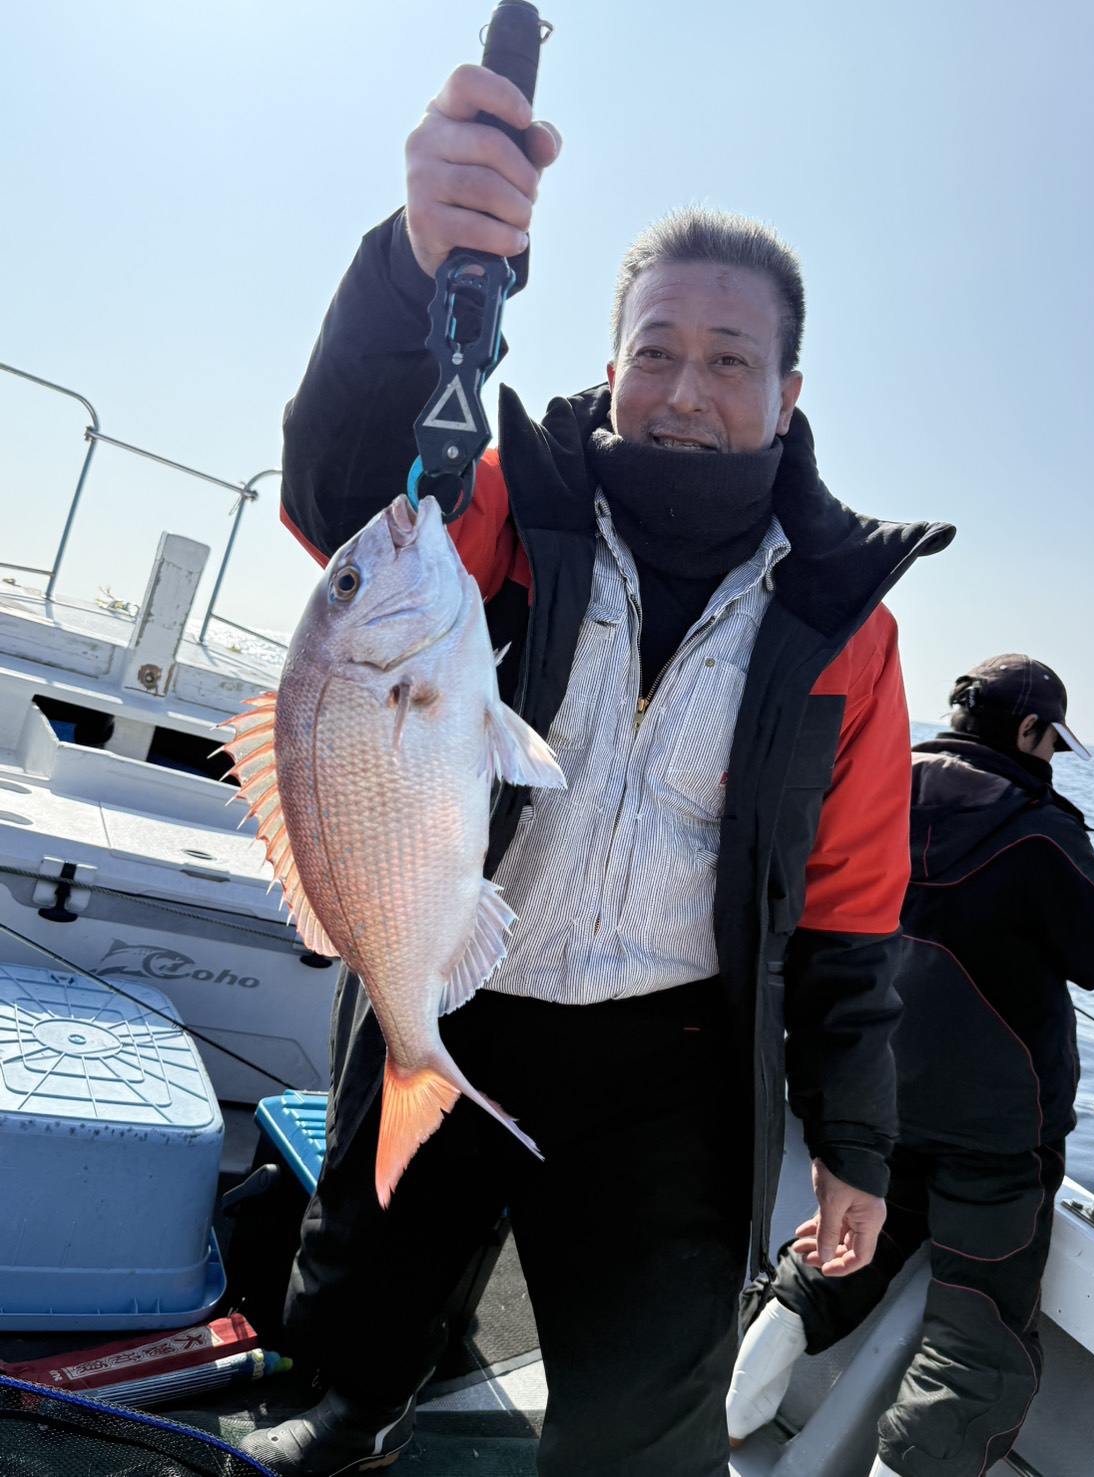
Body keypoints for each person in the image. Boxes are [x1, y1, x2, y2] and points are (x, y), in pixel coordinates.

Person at [240, 63, 952, 1477]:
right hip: (461, 980)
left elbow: (850, 915)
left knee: (641, 1423)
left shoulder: (848, 631)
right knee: (370, 1287)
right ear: (611, 360)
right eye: (655, 350)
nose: (685, 390)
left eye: (730, 360)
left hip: (673, 1067)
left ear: (788, 391)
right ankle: (356, 1407)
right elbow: (347, 491)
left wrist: (855, 1146)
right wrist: (417, 263)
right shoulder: (507, 507)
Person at [725, 654, 1094, 1477]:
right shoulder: (1043, 831)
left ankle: (726, 1418)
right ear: (1028, 730)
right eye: (1052, 741)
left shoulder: (874, 785)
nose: (1052, 757)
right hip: (996, 1138)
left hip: (873, 1102)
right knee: (977, 1335)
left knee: (838, 1250)